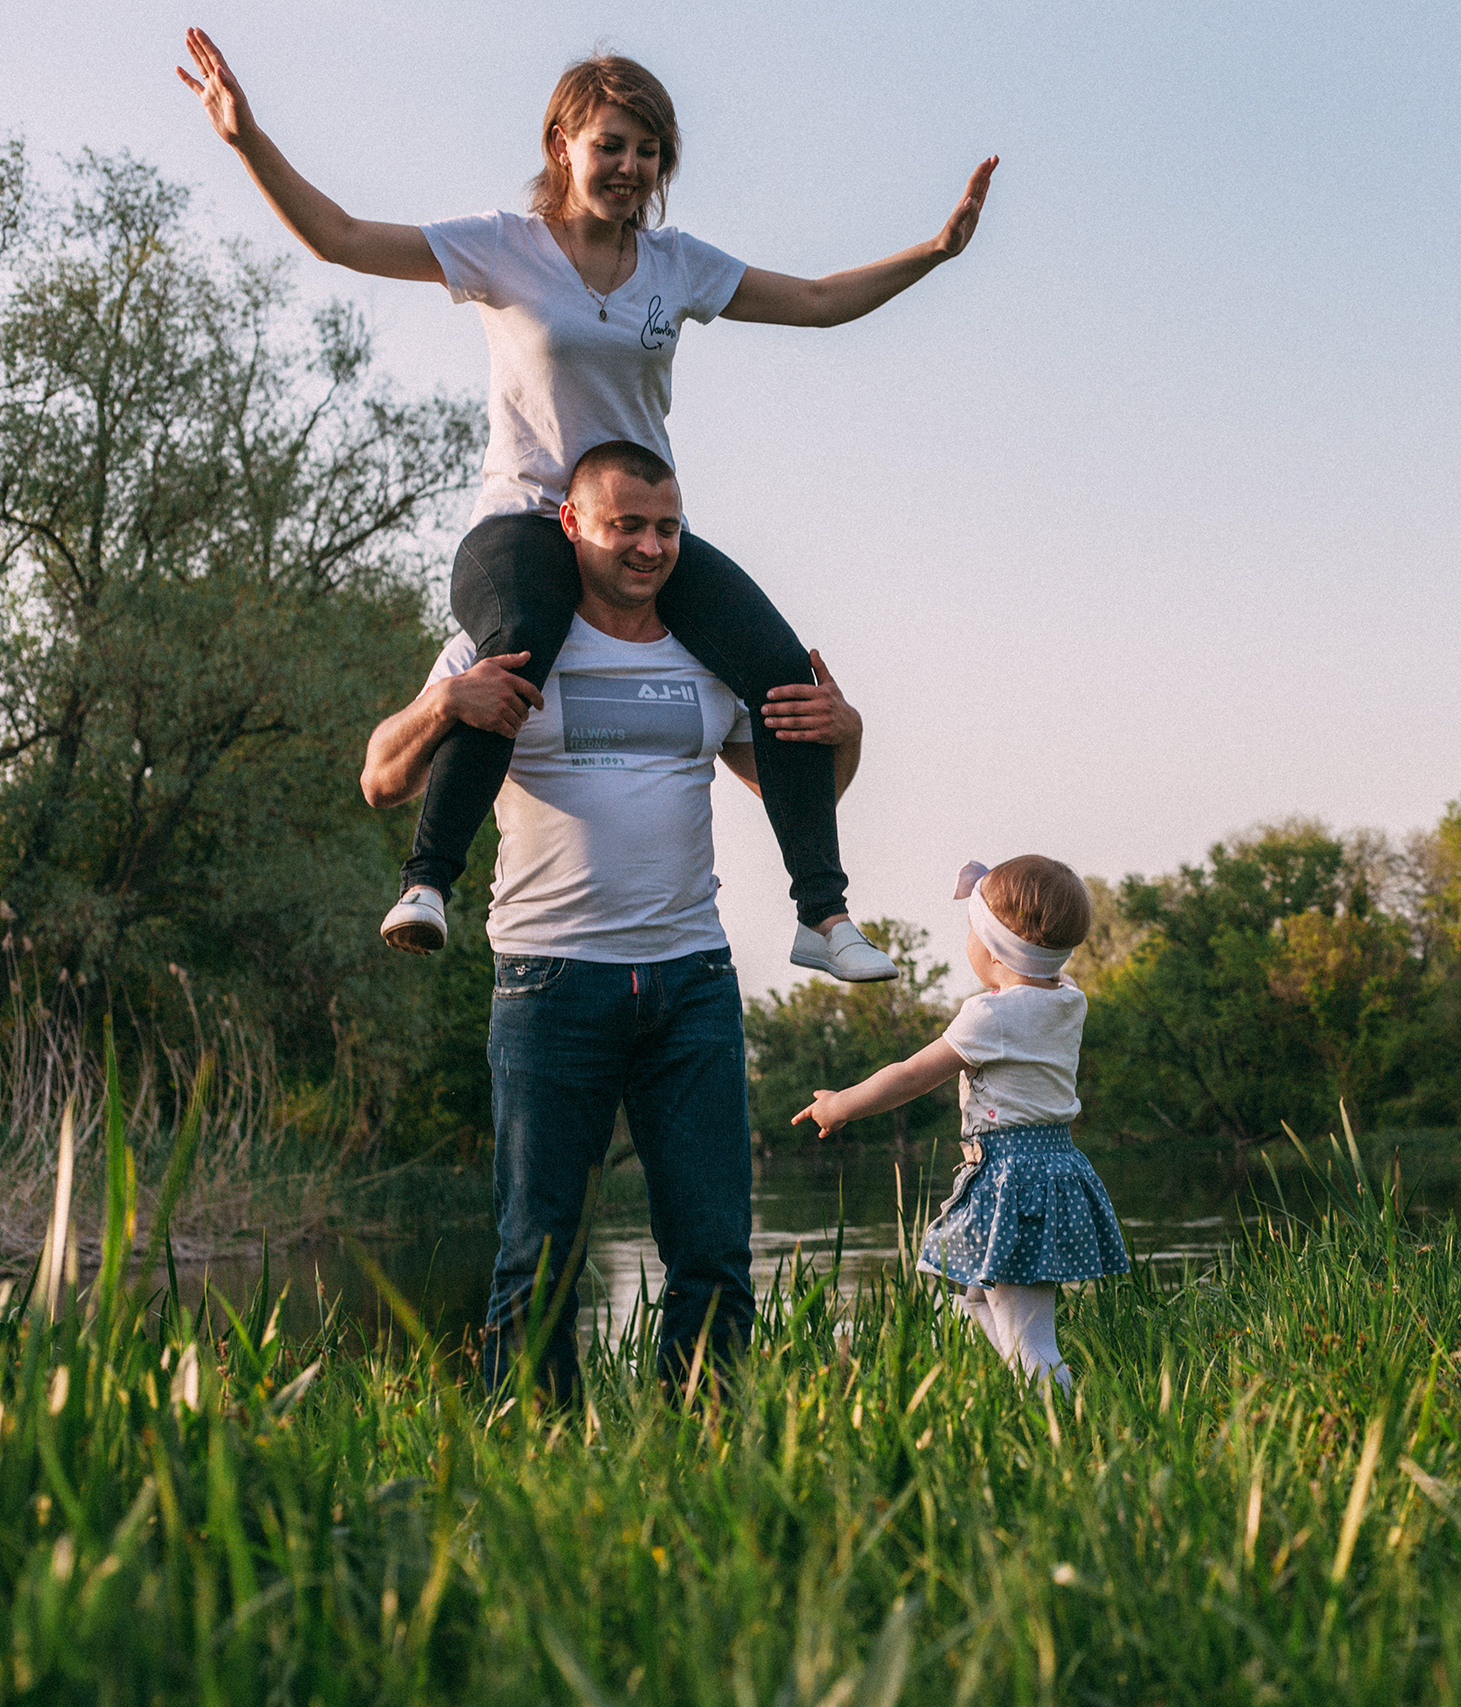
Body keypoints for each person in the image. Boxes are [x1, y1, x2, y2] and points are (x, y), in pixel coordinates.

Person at [179, 28, 996, 984]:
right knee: (516, 648)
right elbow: (342, 237)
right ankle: (429, 882)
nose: (630, 166)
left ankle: (822, 913)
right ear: (562, 143)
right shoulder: (502, 248)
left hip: (639, 527)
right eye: (611, 144)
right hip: (526, 522)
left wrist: (936, 252)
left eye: (647, 151)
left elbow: (815, 300)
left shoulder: (677, 265)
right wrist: (246, 139)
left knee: (782, 672)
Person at [359, 442, 862, 1398]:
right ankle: (537, 1456)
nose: (650, 546)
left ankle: (706, 1459)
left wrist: (848, 732)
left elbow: (797, 789)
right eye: (627, 524)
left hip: (693, 982)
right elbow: (381, 778)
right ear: (573, 523)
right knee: (536, 1257)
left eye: (667, 527)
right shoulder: (506, 638)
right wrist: (442, 702)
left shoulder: (711, 654)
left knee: (713, 1254)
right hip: (552, 983)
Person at [795, 856, 1129, 1390]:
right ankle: (1028, 1393)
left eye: (973, 930)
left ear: (993, 949)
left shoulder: (990, 1017)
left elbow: (909, 1076)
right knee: (974, 1294)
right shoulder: (1069, 999)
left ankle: (1064, 1421)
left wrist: (839, 1106)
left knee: (1031, 1337)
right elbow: (1045, 967)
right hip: (1047, 1171)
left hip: (1013, 1180)